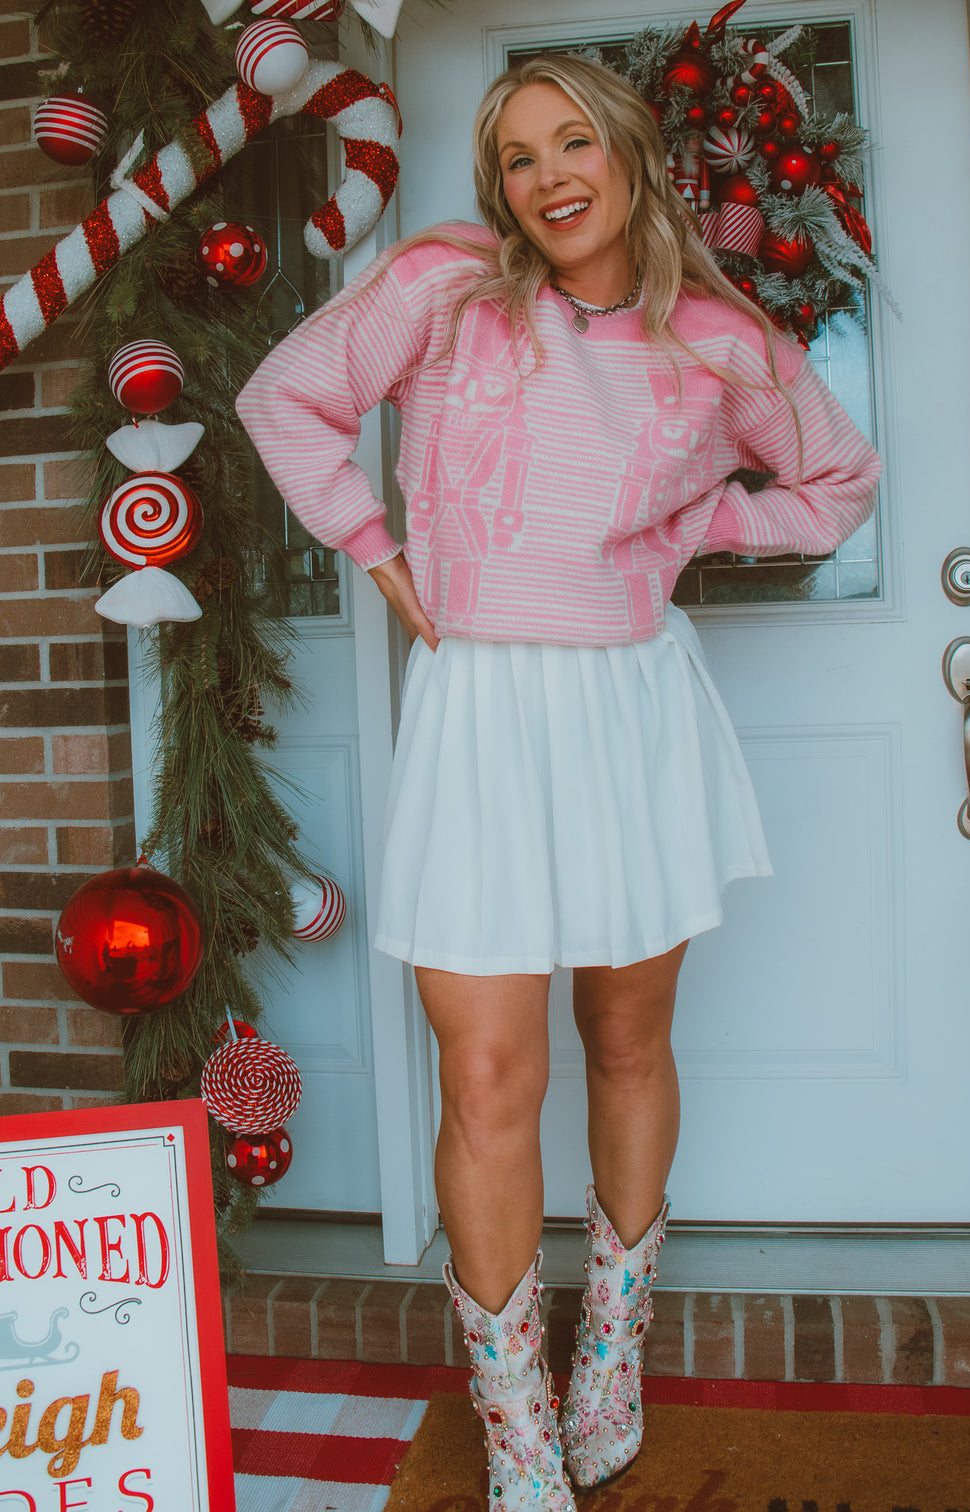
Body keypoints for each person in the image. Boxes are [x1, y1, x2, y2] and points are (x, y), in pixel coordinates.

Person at [236, 50, 881, 1510]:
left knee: (627, 1039)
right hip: (479, 711)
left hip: (627, 708)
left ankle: (612, 1358)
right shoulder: (453, 283)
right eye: (518, 156)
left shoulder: (720, 339)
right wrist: (382, 555)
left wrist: (691, 522)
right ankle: (518, 1419)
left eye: (571, 140)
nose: (546, 178)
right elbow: (288, 397)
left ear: (632, 150)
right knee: (484, 1067)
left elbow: (840, 481)